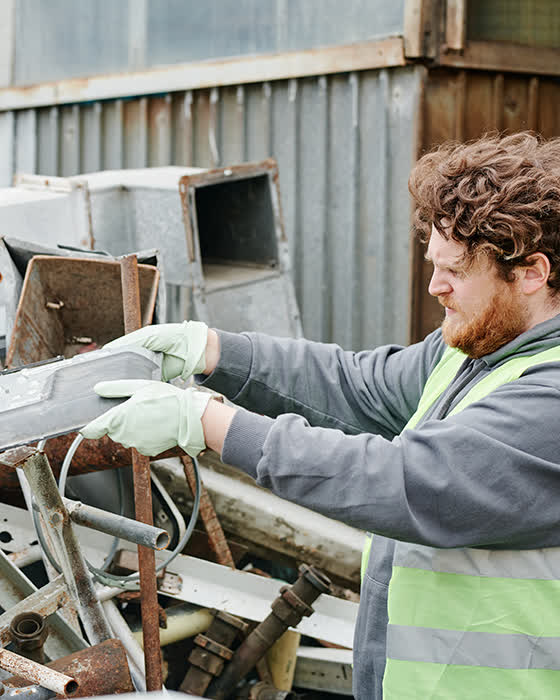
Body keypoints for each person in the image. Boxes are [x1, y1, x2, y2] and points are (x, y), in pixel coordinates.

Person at [82, 132, 560, 699]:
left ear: (531, 271)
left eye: (455, 270)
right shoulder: (475, 348)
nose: (435, 286)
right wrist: (213, 350)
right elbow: (360, 386)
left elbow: (405, 481)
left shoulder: (549, 394)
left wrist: (209, 423)